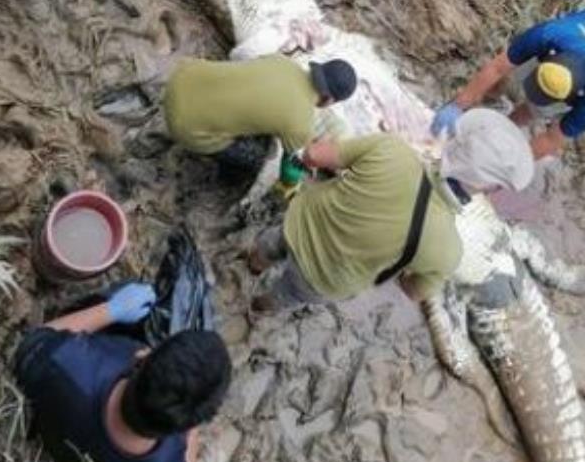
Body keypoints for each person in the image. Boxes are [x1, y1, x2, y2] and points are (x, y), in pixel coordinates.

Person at [248, 111, 533, 313]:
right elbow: (412, 291)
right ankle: (259, 307)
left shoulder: (391, 149)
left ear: (455, 142)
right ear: (492, 189)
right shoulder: (448, 252)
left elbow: (314, 156)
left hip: (298, 224)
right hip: (324, 281)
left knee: (268, 246)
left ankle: (253, 265)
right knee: (285, 297)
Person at [15, 282, 232, 462]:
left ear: (142, 355)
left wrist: (112, 309)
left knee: (130, 292)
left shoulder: (63, 363)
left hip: (56, 415)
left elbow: (31, 343)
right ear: (189, 425)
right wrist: (190, 419)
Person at [431, 5, 585, 160]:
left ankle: (497, 134)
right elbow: (498, 67)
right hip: (571, 40)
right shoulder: (548, 33)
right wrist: (458, 105)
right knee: (506, 73)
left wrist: (510, 170)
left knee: (533, 109)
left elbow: (552, 138)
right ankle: (484, 100)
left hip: (583, 76)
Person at [163, 54, 357, 183]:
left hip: (180, 80)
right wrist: (297, 173)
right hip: (184, 127)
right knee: (259, 159)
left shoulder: (282, 61)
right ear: (330, 99)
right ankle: (227, 180)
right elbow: (289, 173)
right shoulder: (301, 124)